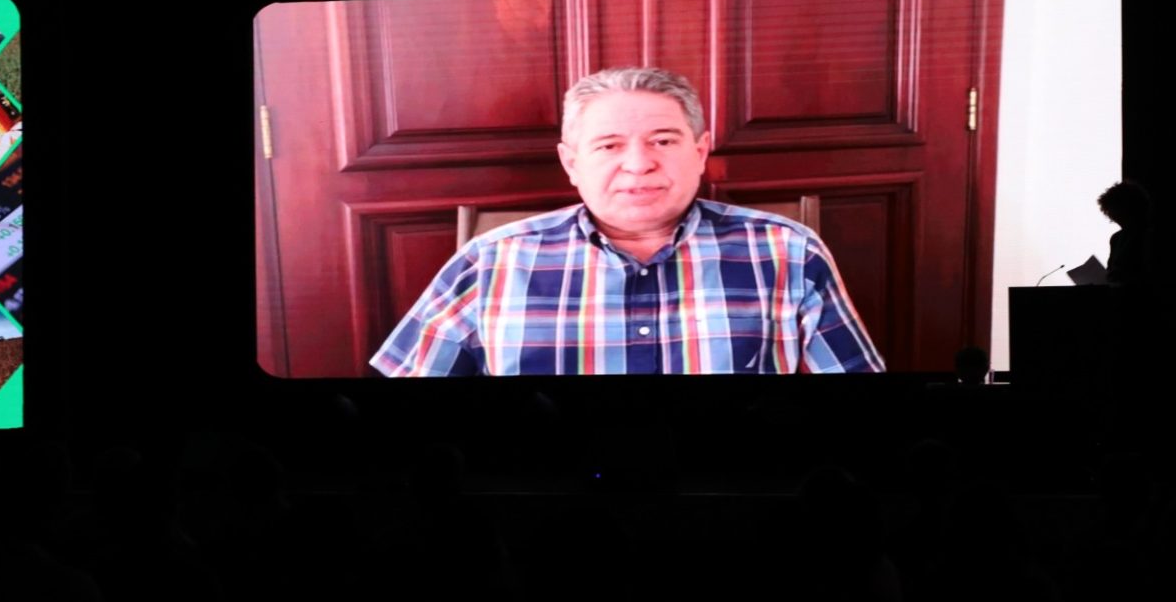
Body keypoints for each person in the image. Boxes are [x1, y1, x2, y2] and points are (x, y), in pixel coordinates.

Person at [371, 66, 884, 375]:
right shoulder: (489, 261)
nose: (638, 164)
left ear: (700, 152)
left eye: (663, 140)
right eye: (609, 146)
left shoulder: (788, 252)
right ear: (572, 162)